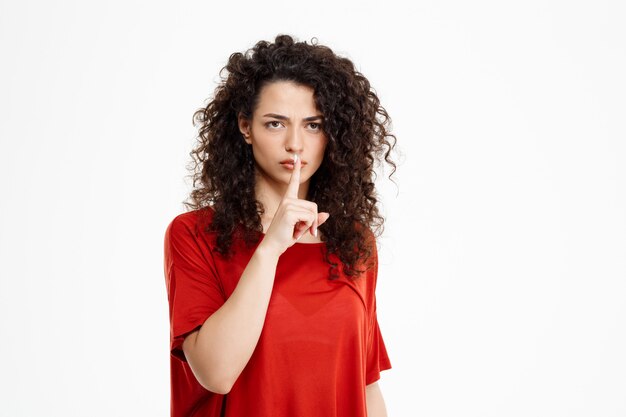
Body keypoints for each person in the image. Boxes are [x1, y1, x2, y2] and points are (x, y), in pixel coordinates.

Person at [163, 34, 398, 417]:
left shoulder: (353, 243)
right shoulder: (194, 234)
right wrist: (270, 248)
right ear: (245, 127)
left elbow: (366, 386)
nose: (295, 144)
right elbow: (216, 372)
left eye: (313, 125)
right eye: (275, 124)